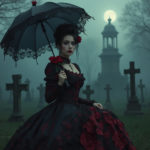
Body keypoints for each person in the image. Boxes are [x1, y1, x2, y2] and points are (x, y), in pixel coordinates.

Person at [4, 24, 136, 150]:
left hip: (77, 107)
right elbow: (49, 97)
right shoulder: (53, 67)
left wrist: (91, 102)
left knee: (106, 120)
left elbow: (74, 96)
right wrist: (60, 82)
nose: (70, 46)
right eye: (66, 43)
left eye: (73, 43)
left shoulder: (75, 67)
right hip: (61, 113)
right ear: (58, 45)